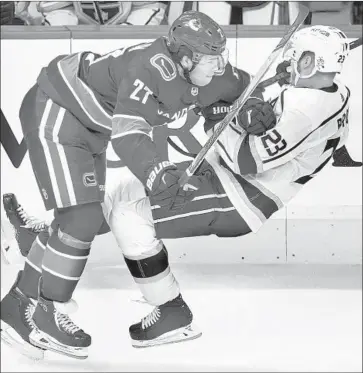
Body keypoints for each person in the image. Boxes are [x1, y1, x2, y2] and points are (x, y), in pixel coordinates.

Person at [2, 24, 352, 351]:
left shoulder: (307, 109)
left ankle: (170, 311)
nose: (291, 60)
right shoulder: (324, 92)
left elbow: (246, 160)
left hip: (241, 197)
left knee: (126, 214)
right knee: (113, 196)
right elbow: (245, 103)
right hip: (220, 177)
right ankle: (39, 257)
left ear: (311, 62)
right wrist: (245, 108)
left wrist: (226, 117)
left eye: (298, 55)